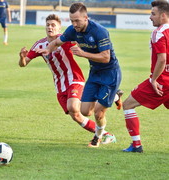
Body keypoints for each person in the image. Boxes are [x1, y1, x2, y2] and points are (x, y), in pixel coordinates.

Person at [19, 14, 119, 145]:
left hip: (74, 79)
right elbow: (23, 63)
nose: (50, 27)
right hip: (60, 85)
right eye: (48, 25)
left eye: (53, 25)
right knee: (75, 115)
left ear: (59, 27)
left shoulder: (65, 39)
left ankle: (110, 97)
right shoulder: (40, 44)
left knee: (75, 107)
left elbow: (83, 43)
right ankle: (106, 134)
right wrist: (22, 57)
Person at [122, 0, 169, 153]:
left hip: (162, 81)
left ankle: (136, 145)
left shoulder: (159, 32)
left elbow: (161, 59)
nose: (150, 17)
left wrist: (153, 80)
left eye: (153, 14)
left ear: (163, 15)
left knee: (128, 104)